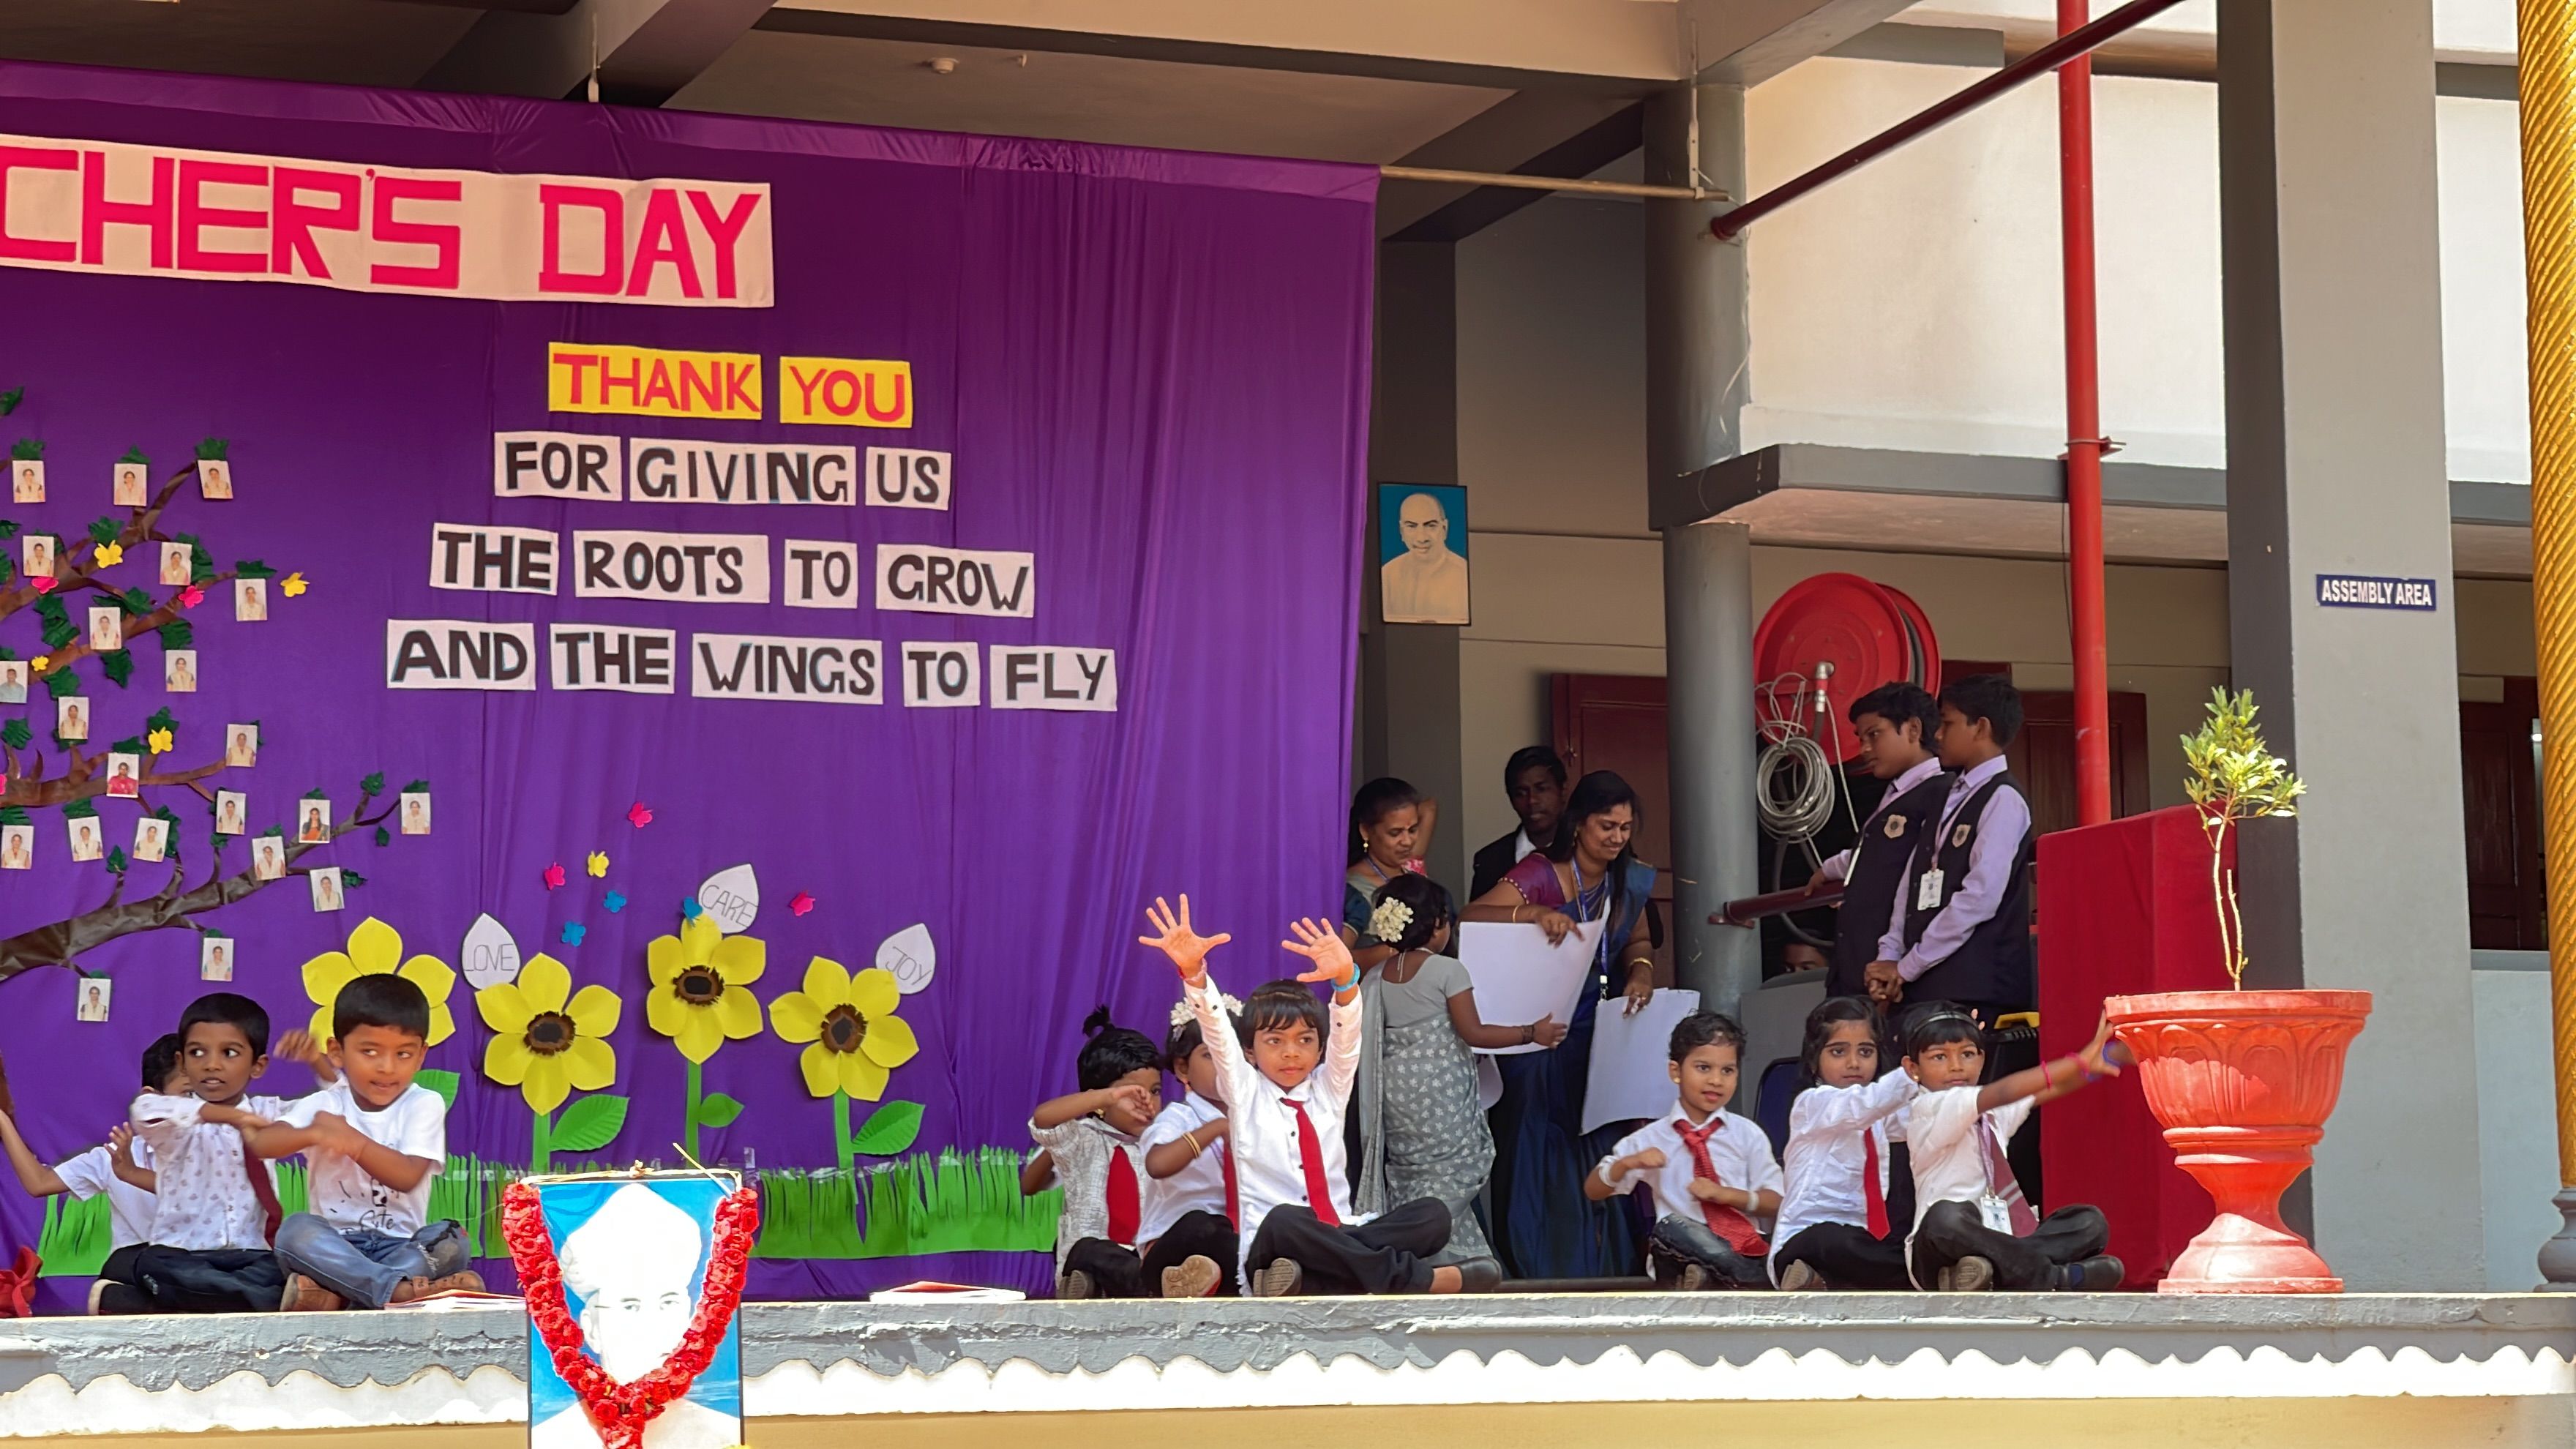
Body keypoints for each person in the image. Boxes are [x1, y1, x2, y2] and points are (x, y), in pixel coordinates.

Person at [1142, 896, 1489, 1297]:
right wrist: (1194, 974)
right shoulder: (1245, 1092)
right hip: (1272, 1244)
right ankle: (1417, 1280)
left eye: (1304, 1040)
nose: (1291, 1053)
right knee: (1287, 1221)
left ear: (1320, 1049)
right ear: (1250, 1052)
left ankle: (1315, 1276)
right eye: (1275, 1041)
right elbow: (1217, 1031)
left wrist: (1345, 984)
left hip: (1339, 1230)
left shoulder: (1329, 1089)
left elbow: (1348, 1040)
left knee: (1433, 1215)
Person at [1461, 769, 1662, 1279]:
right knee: (1533, 1143)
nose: (1617, 838)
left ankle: (1606, 1267)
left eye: (1625, 828)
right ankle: (1535, 1265)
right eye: (1606, 826)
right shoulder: (1540, 872)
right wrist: (1531, 914)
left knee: (1600, 1141)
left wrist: (1641, 972)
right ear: (1578, 824)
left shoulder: (1629, 878)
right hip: (1539, 1030)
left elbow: (1639, 942)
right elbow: (1472, 917)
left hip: (1598, 1033)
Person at [1353, 875, 1562, 1276]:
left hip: (1397, 1098)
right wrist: (1530, 1032)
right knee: (1456, 1169)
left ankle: (1446, 1259)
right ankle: (1422, 1246)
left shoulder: (1377, 977)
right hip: (1441, 1098)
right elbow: (1474, 1033)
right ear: (1437, 925)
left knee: (1413, 1172)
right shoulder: (1447, 970)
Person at [245, 975, 477, 1310]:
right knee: (295, 1231)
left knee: (452, 1238)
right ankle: (396, 1292)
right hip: (336, 1248)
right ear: (337, 1051)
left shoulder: (424, 1103)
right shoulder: (327, 1103)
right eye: (370, 1051)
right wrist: (313, 1133)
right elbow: (263, 1144)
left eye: (403, 1053)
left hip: (401, 1246)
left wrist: (352, 1141)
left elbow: (406, 1176)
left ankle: (343, 1293)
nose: (387, 1067)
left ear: (421, 1055)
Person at [126, 994, 331, 1312]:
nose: (212, 1064)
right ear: (182, 1063)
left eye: (229, 1053)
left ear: (258, 1066)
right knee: (152, 1264)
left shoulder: (270, 1114)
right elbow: (145, 1108)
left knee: (285, 1266)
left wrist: (317, 1061)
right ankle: (264, 1300)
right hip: (184, 1253)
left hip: (253, 1254)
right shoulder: (175, 1119)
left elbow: (337, 1106)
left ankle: (224, 1296)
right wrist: (235, 1117)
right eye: (197, 1053)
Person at [1901, 1003, 2122, 1292]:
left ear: (1982, 1059)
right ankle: (2054, 1279)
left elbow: (2050, 1088)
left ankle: (1984, 1273)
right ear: (1913, 1069)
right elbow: (2004, 1091)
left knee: (2088, 1221)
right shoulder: (1929, 1107)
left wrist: (2112, 1056)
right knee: (1947, 1217)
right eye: (1939, 1057)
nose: (1956, 1066)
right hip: (1937, 1251)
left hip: (2000, 1240)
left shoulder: (1990, 1114)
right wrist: (2077, 1061)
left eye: (1967, 1054)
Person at [1870, 675, 2037, 1021]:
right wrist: (1891, 956)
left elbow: (1979, 897)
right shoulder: (1947, 794)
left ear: (1981, 728)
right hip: (1923, 983)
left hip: (1976, 988)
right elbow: (1911, 883)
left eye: (1947, 723)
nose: (1938, 735)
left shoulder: (2003, 799)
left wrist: (1907, 966)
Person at [1032, 1008, 1227, 1300]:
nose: (1146, 1102)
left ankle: (1159, 1281)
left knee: (1179, 1241)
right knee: (1089, 1249)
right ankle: (1146, 1286)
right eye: (1131, 1094)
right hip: (1096, 1254)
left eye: (1155, 1091)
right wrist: (1107, 1097)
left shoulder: (1159, 1141)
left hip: (1145, 1256)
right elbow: (1044, 1119)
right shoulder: (1083, 1137)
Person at [531, 1183, 738, 1448]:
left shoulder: (723, 1434)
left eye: (668, 1303)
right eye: (630, 1306)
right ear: (592, 1329)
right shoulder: (552, 1439)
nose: (654, 1326)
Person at [1587, 1011, 1781, 1289]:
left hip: (1741, 1247)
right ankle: (1718, 1274)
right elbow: (1593, 1190)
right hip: (1679, 1248)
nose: (1716, 1080)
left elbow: (1776, 1201)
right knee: (1675, 1229)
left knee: (1773, 1248)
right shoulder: (1651, 1138)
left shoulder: (1747, 1134)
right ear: (1675, 1071)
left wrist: (1724, 1195)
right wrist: (1627, 1163)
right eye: (1704, 1068)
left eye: (1727, 1070)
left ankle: (1716, 1275)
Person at [0, 1034, 181, 1314]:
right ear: (151, 1100)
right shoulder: (113, 1157)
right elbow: (39, 1183)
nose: (202, 1107)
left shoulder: (228, 1151)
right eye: (189, 1095)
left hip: (203, 1281)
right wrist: (2, 1119)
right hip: (141, 1283)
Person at [1811, 684, 1952, 1003]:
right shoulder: (1896, 792)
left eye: (1874, 735)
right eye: (1861, 738)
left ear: (1913, 729)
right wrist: (1831, 868)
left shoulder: (1941, 793)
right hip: (1859, 961)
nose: (1864, 748)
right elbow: (1877, 854)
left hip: (1896, 968)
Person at [1770, 997, 1919, 1290]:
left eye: (1866, 1051)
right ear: (1814, 1059)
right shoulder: (1812, 1103)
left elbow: (1923, 1118)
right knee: (1833, 1240)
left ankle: (1817, 1278)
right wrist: (1915, 1070)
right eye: (1838, 1052)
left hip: (1861, 1240)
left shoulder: (1878, 1112)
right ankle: (1924, 1275)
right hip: (1803, 1239)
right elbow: (1863, 1105)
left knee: (1891, 1243)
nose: (1854, 1063)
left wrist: (1948, 1058)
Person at [1140, 991, 1243, 1295]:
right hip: (1175, 1243)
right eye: (1211, 1055)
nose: (1225, 1064)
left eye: (1233, 1052)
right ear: (1183, 1068)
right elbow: (1157, 1164)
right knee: (1203, 1225)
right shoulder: (1178, 1118)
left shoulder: (1257, 1119)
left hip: (1236, 1241)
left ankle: (1233, 1276)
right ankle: (1174, 1278)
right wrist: (1216, 1129)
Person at [1340, 777, 1438, 974]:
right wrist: (1398, 950)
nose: (1407, 841)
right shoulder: (1352, 890)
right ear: (1366, 831)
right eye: (1395, 833)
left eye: (1413, 830)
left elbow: (1430, 807)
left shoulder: (1415, 878)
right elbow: (1338, 961)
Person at [1470, 746, 1567, 900]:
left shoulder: (1584, 851)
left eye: (1541, 789)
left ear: (1562, 791)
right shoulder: (1490, 860)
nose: (1532, 800)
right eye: (1520, 793)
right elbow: (1477, 914)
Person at [1379, 491, 1469, 624]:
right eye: (1411, 526)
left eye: (1430, 526)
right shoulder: (1387, 574)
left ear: (1444, 528)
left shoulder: (1465, 574)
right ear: (1401, 531)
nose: (1421, 538)